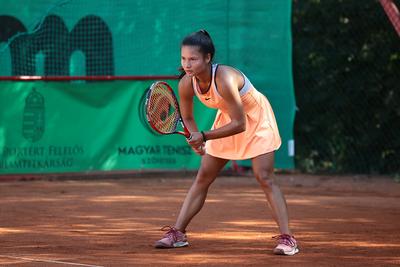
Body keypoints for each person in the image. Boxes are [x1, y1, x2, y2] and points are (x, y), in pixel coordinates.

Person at [154, 29, 299, 256]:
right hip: (227, 120)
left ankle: (288, 239)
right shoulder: (185, 84)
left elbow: (240, 123)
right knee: (203, 176)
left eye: (193, 59)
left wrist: (204, 136)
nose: (187, 64)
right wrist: (195, 138)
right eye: (183, 59)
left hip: (256, 119)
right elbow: (189, 118)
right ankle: (178, 233)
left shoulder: (224, 78)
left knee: (264, 176)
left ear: (208, 58)